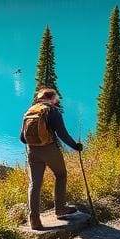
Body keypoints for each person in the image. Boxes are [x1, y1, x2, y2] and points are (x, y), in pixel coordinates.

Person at [20, 87, 83, 231]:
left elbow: (22, 138)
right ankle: (60, 209)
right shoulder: (53, 111)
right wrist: (75, 146)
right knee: (61, 175)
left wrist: (35, 143)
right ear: (51, 99)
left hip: (32, 151)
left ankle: (34, 221)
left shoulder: (30, 111)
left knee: (34, 184)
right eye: (56, 98)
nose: (57, 101)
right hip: (49, 149)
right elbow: (63, 134)